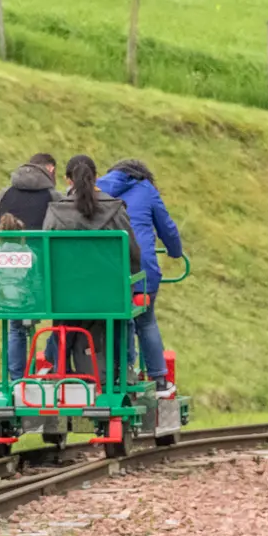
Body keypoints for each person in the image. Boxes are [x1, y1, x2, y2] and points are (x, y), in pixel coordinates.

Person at [42, 155, 143, 381]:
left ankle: (60, 365)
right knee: (122, 316)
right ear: (96, 177)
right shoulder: (115, 209)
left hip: (65, 295)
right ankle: (125, 367)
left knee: (62, 321)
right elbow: (133, 251)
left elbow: (45, 253)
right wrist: (134, 275)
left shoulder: (56, 212)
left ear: (68, 180)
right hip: (108, 294)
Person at [97, 159, 183, 396]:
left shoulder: (96, 188)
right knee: (146, 321)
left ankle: (119, 372)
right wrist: (175, 251)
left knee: (113, 320)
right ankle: (158, 380)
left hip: (106, 270)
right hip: (141, 269)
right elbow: (166, 226)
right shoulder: (146, 190)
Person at [0, 153, 57, 382]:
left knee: (16, 327)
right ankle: (58, 368)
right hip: (46, 275)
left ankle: (17, 379)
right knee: (61, 321)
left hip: (14, 276)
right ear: (50, 169)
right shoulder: (53, 196)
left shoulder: (4, 195)